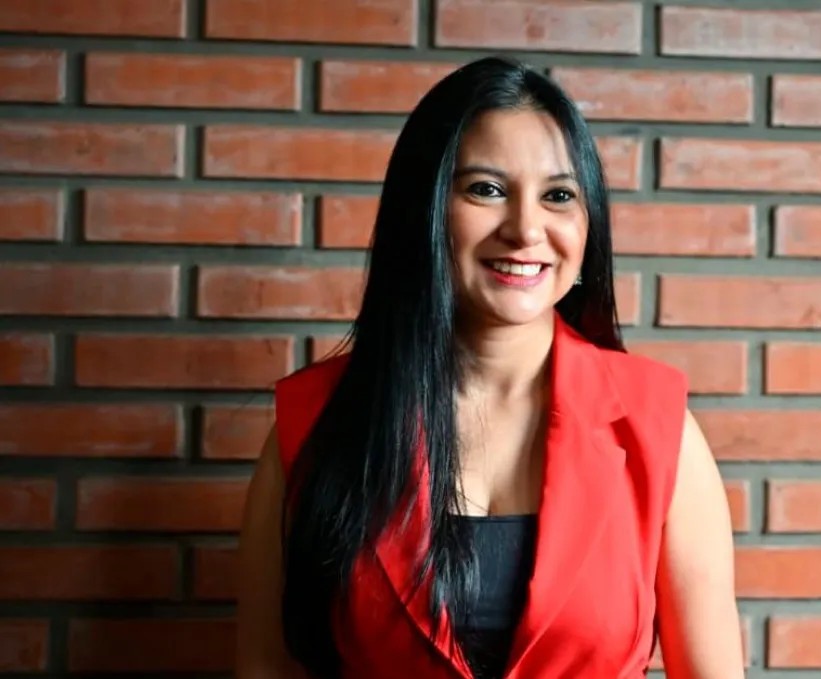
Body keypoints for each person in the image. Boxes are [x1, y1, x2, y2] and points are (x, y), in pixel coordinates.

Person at [236, 56, 743, 679]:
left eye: (559, 196)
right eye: (487, 189)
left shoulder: (658, 429)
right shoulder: (312, 424)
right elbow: (264, 668)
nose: (527, 229)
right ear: (425, 211)